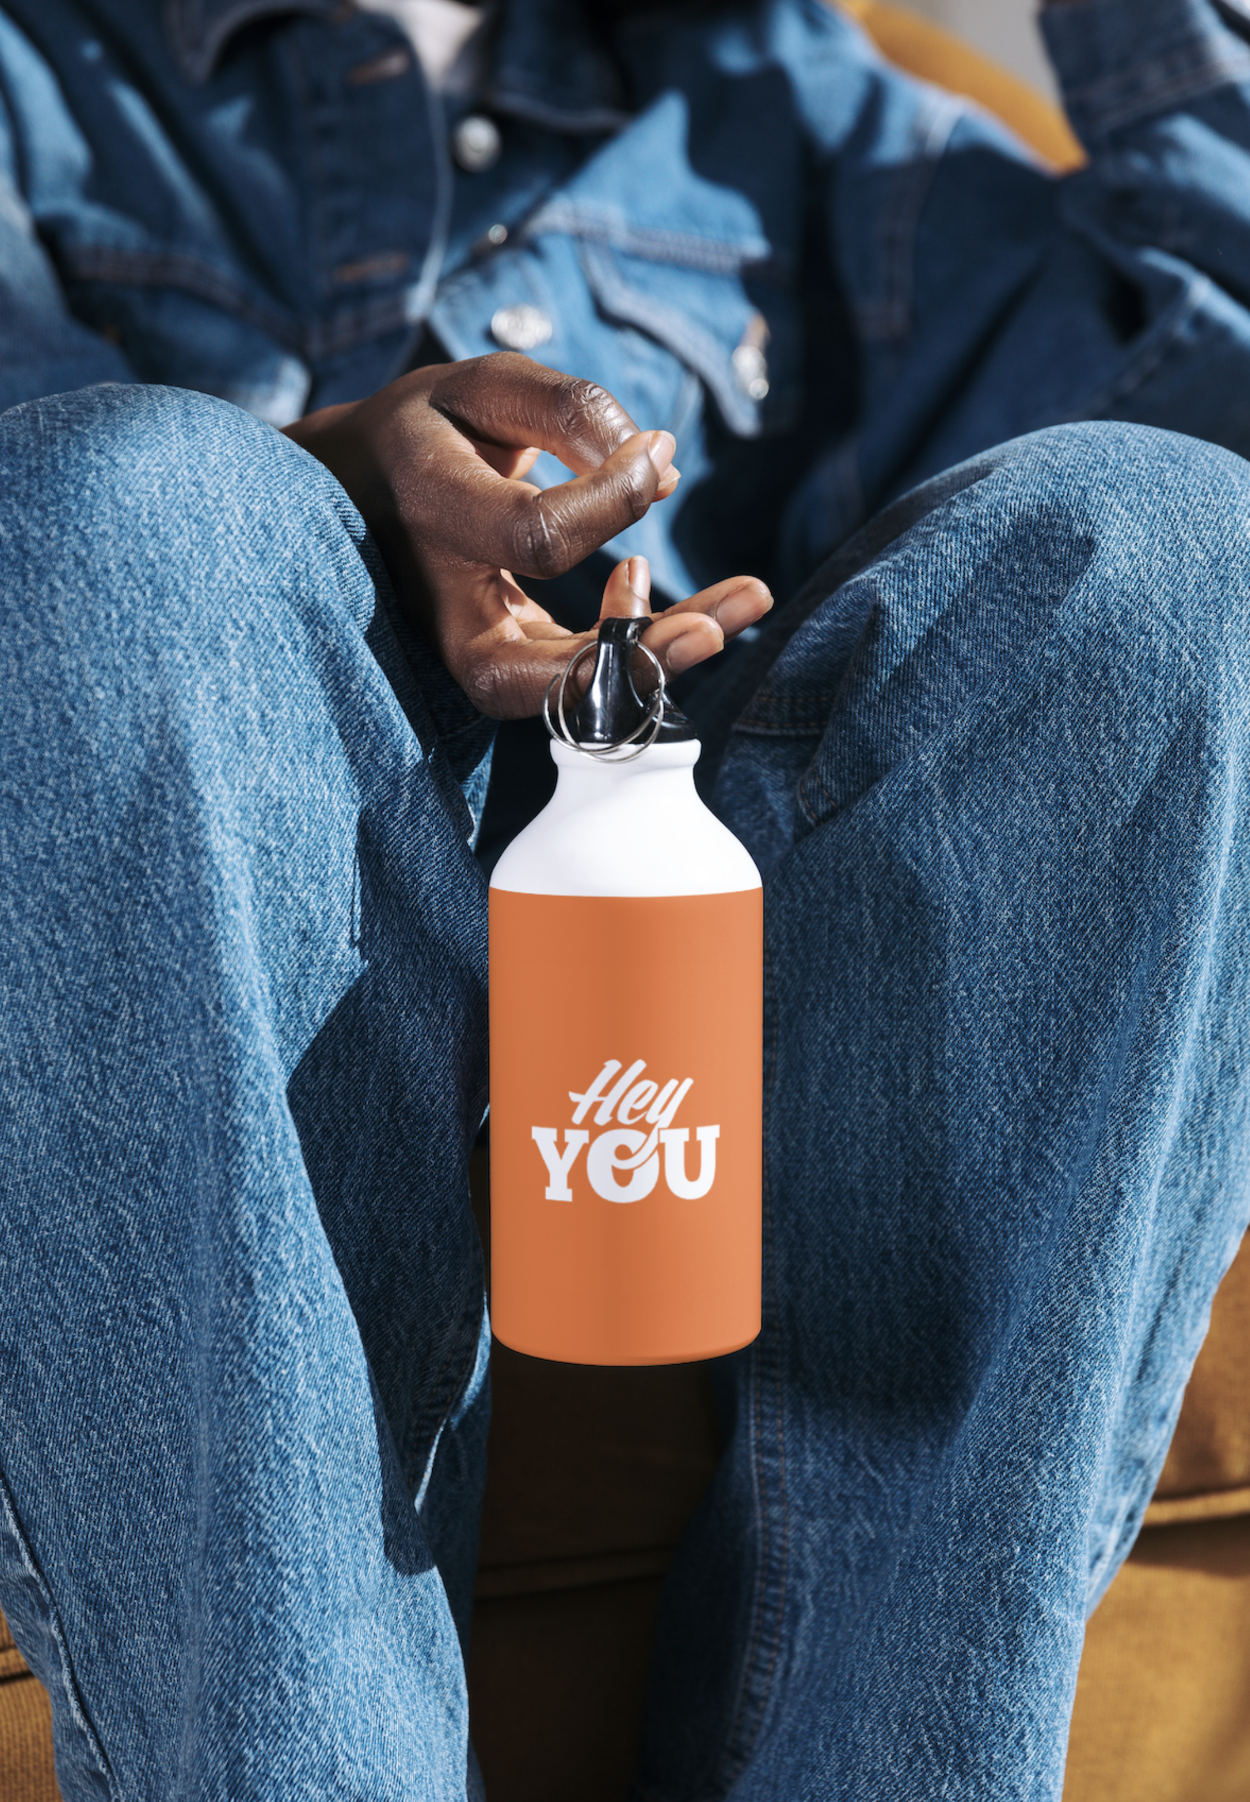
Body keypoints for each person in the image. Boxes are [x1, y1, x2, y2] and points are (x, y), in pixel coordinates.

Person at [2, 0, 1250, 1797]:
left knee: (1181, 549)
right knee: (115, 521)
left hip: (726, 1001)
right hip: (193, 951)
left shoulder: (788, 113)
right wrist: (339, 478)